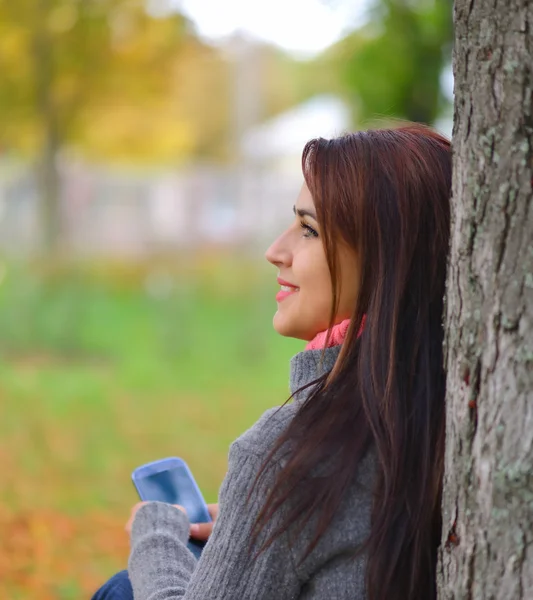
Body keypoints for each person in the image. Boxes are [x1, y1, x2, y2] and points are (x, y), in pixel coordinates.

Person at [92, 123, 451, 600]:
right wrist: (255, 518)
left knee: (122, 589)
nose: (274, 252)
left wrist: (156, 534)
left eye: (308, 230)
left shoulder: (291, 456)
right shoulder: (454, 411)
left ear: (384, 260)